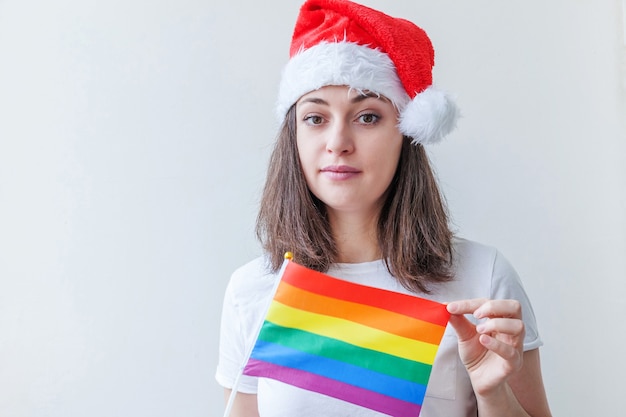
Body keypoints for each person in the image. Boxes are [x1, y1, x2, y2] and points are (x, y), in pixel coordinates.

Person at [216, 0, 552, 416]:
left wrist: (491, 394)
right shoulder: (254, 290)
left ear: (406, 134)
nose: (338, 141)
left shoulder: (482, 280)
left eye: (368, 117)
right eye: (316, 119)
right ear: (294, 137)